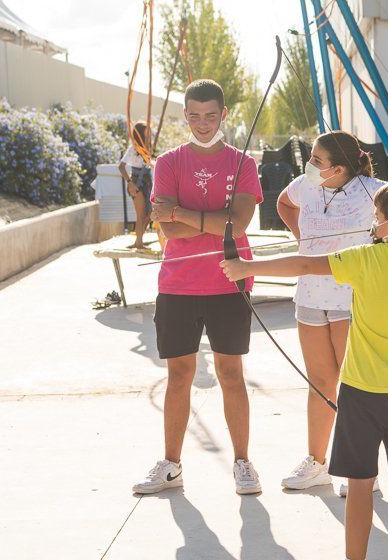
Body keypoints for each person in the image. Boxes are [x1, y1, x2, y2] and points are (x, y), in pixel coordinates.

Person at [221, 177, 388, 560]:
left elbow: (303, 263)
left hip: (361, 392)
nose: (372, 222)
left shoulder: (365, 258)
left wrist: (246, 266)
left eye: (378, 217)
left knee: (361, 483)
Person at [133, 79, 264, 496]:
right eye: (194, 115)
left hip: (230, 280)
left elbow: (238, 224)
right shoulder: (169, 162)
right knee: (179, 376)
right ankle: (171, 464)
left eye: (210, 115)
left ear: (223, 115)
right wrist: (207, 218)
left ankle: (243, 462)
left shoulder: (244, 162)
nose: (202, 123)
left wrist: (181, 213)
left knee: (231, 374)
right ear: (185, 115)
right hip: (178, 285)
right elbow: (165, 227)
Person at [275, 131, 381, 491]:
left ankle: (361, 469)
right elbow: (283, 204)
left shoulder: (373, 189)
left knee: (354, 384)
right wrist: (301, 239)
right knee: (320, 383)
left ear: (338, 169)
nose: (310, 164)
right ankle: (317, 462)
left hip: (350, 298)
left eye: (317, 160)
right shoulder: (305, 185)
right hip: (310, 295)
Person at [118, 122, 153, 249]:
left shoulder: (147, 148)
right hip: (136, 183)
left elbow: (149, 164)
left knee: (149, 213)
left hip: (147, 182)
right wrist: (129, 183)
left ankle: (138, 241)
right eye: (146, 132)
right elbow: (121, 167)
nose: (149, 134)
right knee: (140, 214)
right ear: (140, 134)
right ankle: (139, 243)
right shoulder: (133, 149)